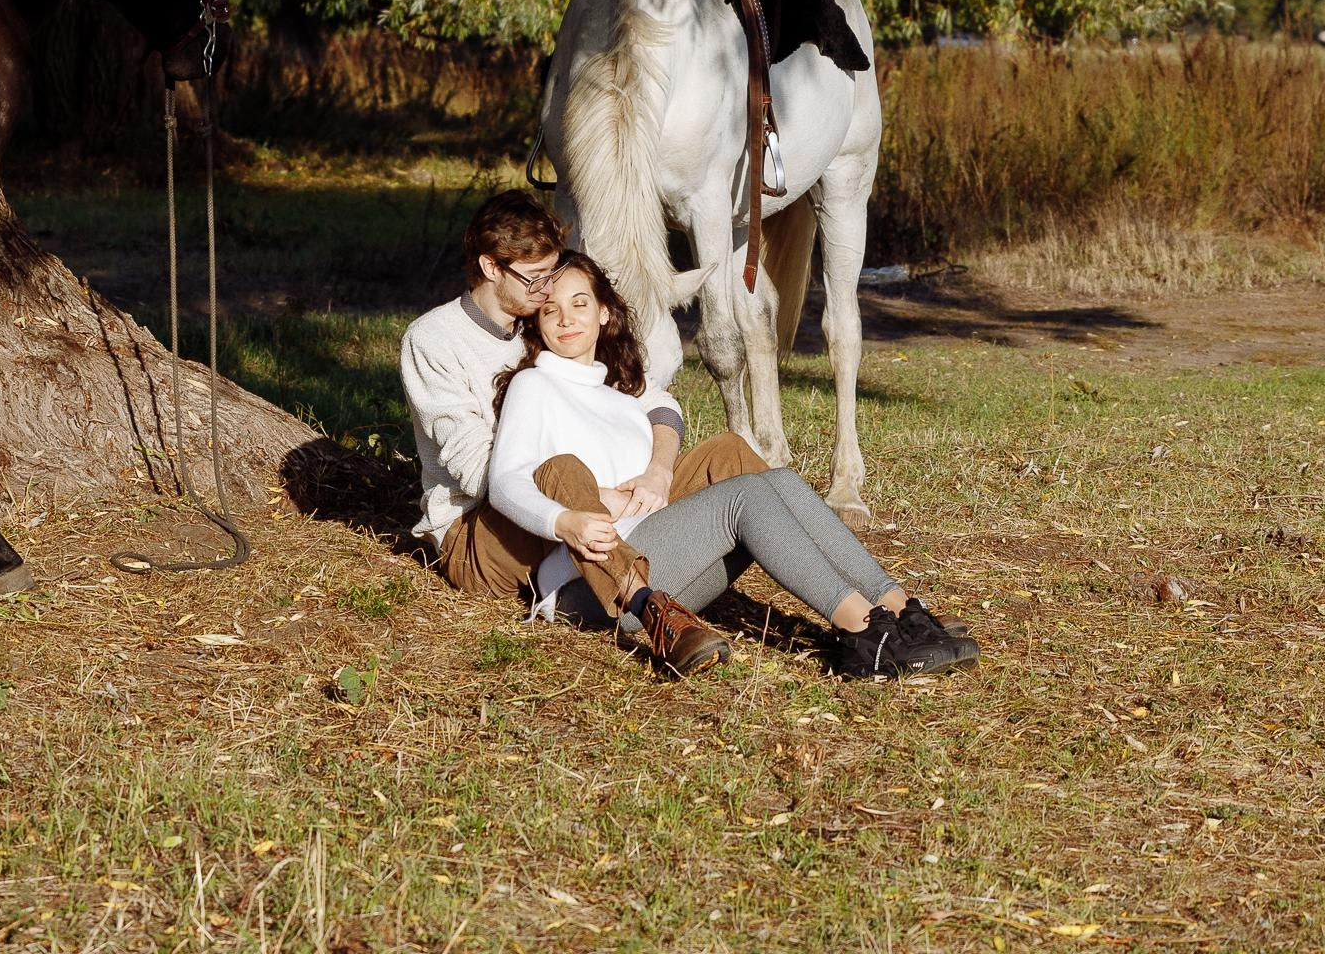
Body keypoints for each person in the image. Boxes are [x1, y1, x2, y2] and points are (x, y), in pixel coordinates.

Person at [489, 250, 980, 679]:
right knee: (744, 496)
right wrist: (565, 519)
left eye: (579, 304)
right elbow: (505, 481)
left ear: (603, 312)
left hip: (662, 559)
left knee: (777, 479)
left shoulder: (616, 393)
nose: (566, 319)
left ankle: (896, 606)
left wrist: (658, 472)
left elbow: (664, 410)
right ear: (535, 321)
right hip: (592, 589)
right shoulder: (535, 385)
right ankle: (862, 631)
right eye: (549, 310)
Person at [400, 192, 750, 674]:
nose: (548, 291)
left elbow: (654, 401)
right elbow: (477, 468)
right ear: (489, 267)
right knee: (560, 469)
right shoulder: (432, 340)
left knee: (727, 454)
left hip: (573, 512)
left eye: (550, 274)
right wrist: (603, 496)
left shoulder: (538, 322)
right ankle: (651, 609)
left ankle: (816, 570)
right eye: (535, 278)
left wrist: (656, 473)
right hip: (484, 532)